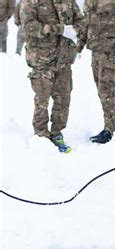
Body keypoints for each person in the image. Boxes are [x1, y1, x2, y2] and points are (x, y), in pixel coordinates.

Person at [21, 0, 84, 152]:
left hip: (64, 59)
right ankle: (41, 134)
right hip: (42, 58)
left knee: (63, 98)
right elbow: (28, 25)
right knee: (42, 98)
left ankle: (57, 132)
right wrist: (57, 29)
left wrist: (75, 30)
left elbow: (81, 21)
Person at [77, 0, 115, 144]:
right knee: (101, 90)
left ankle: (110, 129)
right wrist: (79, 46)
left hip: (111, 51)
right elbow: (86, 24)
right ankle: (110, 125)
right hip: (95, 51)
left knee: (106, 89)